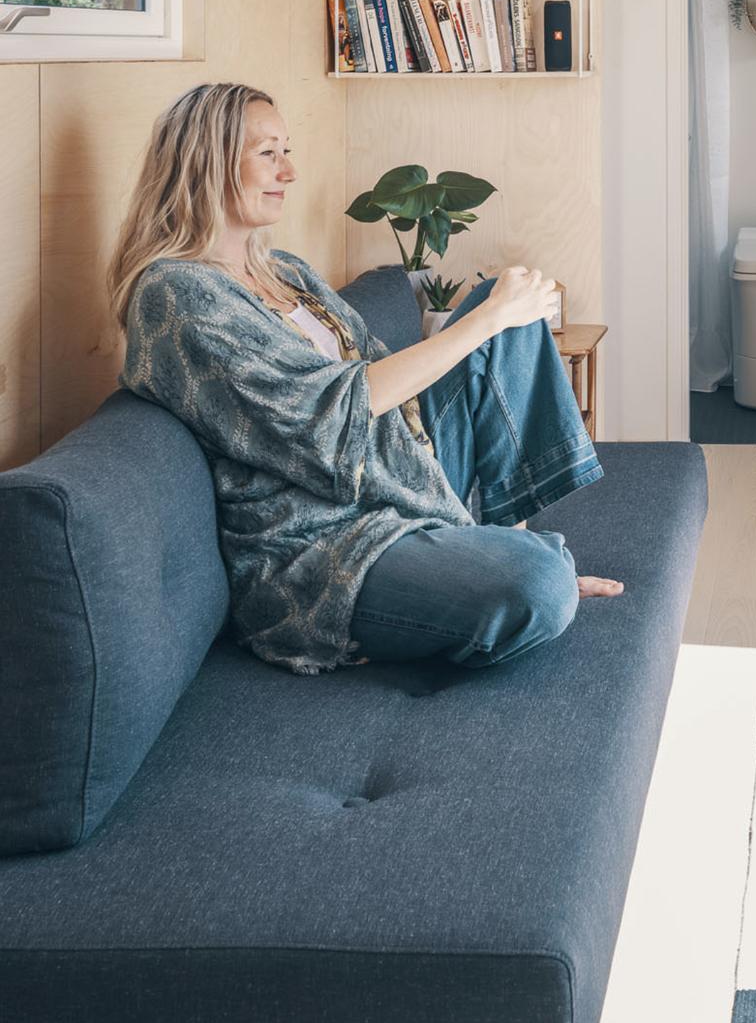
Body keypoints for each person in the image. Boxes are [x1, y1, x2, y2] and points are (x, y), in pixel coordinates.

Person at [108, 81, 621, 676]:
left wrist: (495, 318)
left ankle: (497, 544)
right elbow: (327, 423)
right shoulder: (176, 294)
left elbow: (385, 383)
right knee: (538, 583)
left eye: (288, 150)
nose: (290, 170)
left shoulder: (284, 271)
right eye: (268, 152)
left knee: (500, 309)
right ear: (208, 163)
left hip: (389, 478)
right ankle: (515, 565)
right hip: (325, 543)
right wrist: (483, 321)